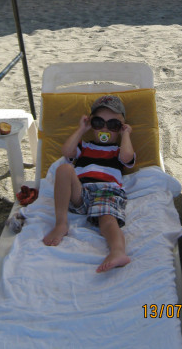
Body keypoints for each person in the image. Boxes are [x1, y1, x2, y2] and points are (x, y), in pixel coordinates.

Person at [43, 95, 135, 273]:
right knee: (64, 169)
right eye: (98, 122)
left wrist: (126, 135)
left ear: (121, 127)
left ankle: (117, 251)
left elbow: (127, 157)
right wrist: (81, 129)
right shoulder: (84, 146)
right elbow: (66, 152)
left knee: (107, 220)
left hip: (106, 191)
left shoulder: (118, 150)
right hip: (82, 192)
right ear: (92, 124)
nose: (105, 129)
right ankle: (61, 223)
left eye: (113, 125)